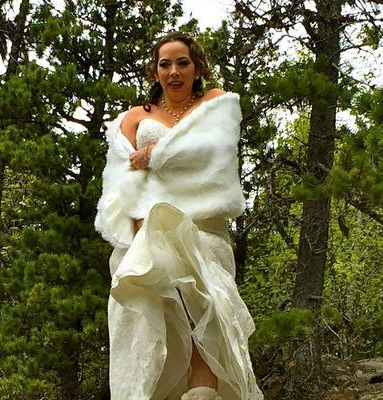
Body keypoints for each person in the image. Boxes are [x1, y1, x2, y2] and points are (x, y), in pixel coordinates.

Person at [95, 32, 262, 400]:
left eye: (182, 62)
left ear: (197, 67)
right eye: (164, 64)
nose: (173, 71)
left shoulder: (215, 103)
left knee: (207, 309)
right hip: (147, 231)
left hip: (204, 227)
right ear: (154, 73)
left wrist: (156, 152)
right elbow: (123, 175)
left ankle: (202, 393)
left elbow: (213, 148)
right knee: (146, 322)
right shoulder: (136, 116)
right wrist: (138, 222)